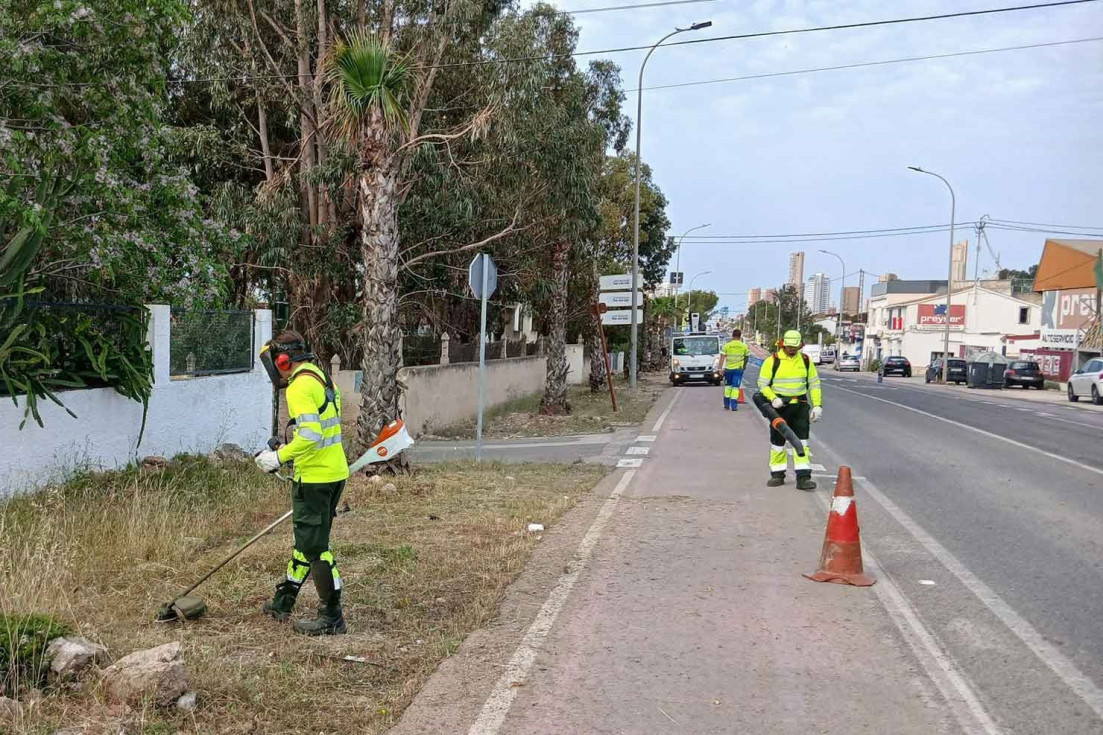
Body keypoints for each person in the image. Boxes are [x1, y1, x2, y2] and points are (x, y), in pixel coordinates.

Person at [254, 331, 350, 635]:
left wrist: (279, 457)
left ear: (282, 360)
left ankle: (332, 616)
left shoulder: (298, 386)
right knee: (307, 542)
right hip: (334, 472)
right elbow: (323, 425)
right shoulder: (322, 378)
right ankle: (284, 602)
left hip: (315, 478)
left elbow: (310, 435)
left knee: (316, 547)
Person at [757, 330, 822, 490]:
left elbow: (814, 384)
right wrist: (773, 398)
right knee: (778, 442)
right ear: (783, 344)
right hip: (779, 407)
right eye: (789, 346)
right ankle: (777, 474)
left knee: (802, 442)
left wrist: (817, 405)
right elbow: (762, 384)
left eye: (795, 346)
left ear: (801, 345)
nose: (792, 349)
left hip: (800, 406)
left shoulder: (806, 361)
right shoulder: (773, 361)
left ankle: (803, 477)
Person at [720, 329, 750, 411]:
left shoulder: (727, 345)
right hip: (738, 369)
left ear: (732, 335)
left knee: (728, 386)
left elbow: (722, 357)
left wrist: (720, 368)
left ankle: (726, 405)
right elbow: (747, 357)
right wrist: (744, 366)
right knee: (735, 387)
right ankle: (734, 406)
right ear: (740, 336)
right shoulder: (744, 346)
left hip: (728, 369)